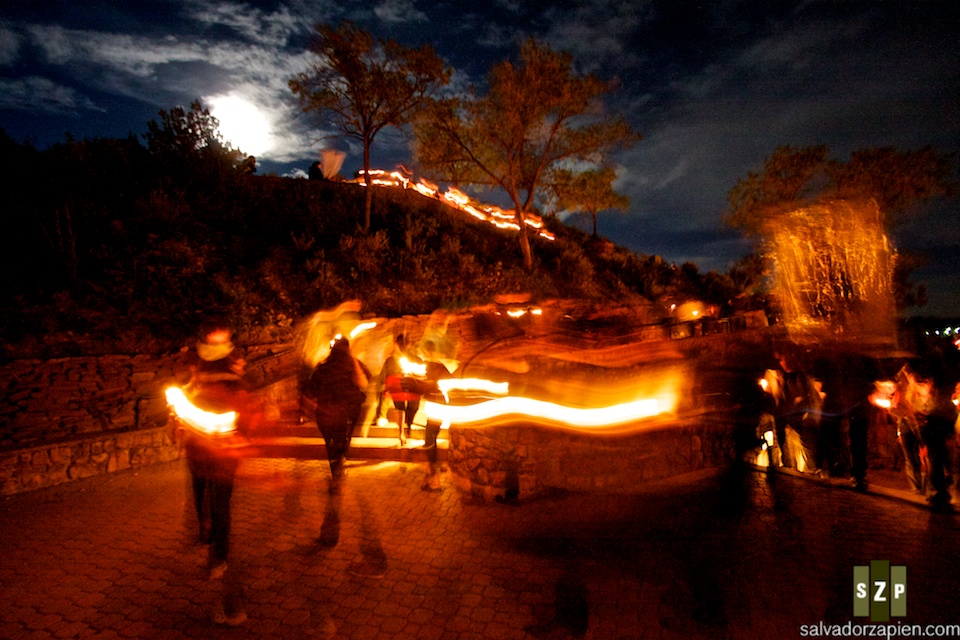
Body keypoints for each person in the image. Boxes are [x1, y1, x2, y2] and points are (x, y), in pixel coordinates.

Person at [180, 318, 259, 625]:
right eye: (214, 341)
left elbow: (245, 405)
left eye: (223, 341)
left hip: (225, 449)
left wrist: (243, 433)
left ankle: (220, 556)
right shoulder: (193, 364)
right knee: (200, 493)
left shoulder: (235, 366)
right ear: (204, 340)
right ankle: (206, 532)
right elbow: (182, 396)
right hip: (199, 447)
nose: (220, 347)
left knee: (221, 503)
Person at [301, 335, 370, 497]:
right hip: (348, 411)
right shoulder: (354, 364)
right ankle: (340, 464)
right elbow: (366, 382)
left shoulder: (323, 367)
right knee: (342, 442)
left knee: (330, 445)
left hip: (326, 412)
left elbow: (311, 388)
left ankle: (336, 474)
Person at [772, 345, 823, 474]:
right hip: (796, 416)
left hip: (804, 417)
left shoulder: (798, 377)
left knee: (807, 444)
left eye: (781, 360)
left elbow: (804, 398)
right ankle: (796, 468)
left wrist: (798, 406)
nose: (781, 363)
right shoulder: (786, 377)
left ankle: (812, 471)